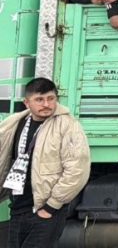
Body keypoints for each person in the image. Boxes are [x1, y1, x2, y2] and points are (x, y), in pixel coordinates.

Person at [0, 77, 90, 247]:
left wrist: (51, 207)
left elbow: (77, 170)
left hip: (46, 210)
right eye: (39, 99)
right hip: (18, 209)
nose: (46, 104)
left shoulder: (68, 126)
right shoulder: (15, 123)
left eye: (51, 98)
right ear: (27, 103)